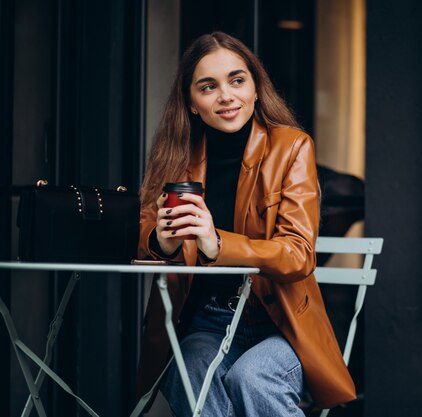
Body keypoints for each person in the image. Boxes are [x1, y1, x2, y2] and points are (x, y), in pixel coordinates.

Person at [136, 32, 355, 417]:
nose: (226, 96)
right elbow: (138, 233)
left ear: (256, 89)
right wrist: (161, 241)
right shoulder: (174, 156)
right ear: (191, 101)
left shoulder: (291, 147)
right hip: (205, 322)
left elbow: (299, 254)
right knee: (189, 370)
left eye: (237, 80)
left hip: (279, 323)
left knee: (252, 377)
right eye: (208, 86)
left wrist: (216, 242)